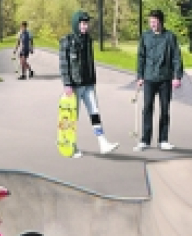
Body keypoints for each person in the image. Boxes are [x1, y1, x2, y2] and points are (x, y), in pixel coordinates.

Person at [58, 11, 119, 157]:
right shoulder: (67, 41)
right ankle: (72, 147)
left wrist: (93, 80)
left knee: (95, 113)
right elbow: (64, 64)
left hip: (88, 84)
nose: (85, 26)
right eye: (83, 24)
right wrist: (67, 84)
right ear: (76, 24)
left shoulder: (88, 40)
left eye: (87, 24)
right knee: (73, 116)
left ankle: (103, 142)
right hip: (75, 86)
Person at [134, 10, 183, 152]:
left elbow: (176, 58)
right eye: (150, 22)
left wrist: (176, 77)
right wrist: (140, 76)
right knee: (147, 108)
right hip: (149, 78)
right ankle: (145, 140)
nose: (152, 24)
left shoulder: (170, 37)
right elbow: (141, 57)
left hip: (165, 79)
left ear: (161, 21)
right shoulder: (145, 36)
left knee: (165, 109)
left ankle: (163, 140)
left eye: (154, 22)